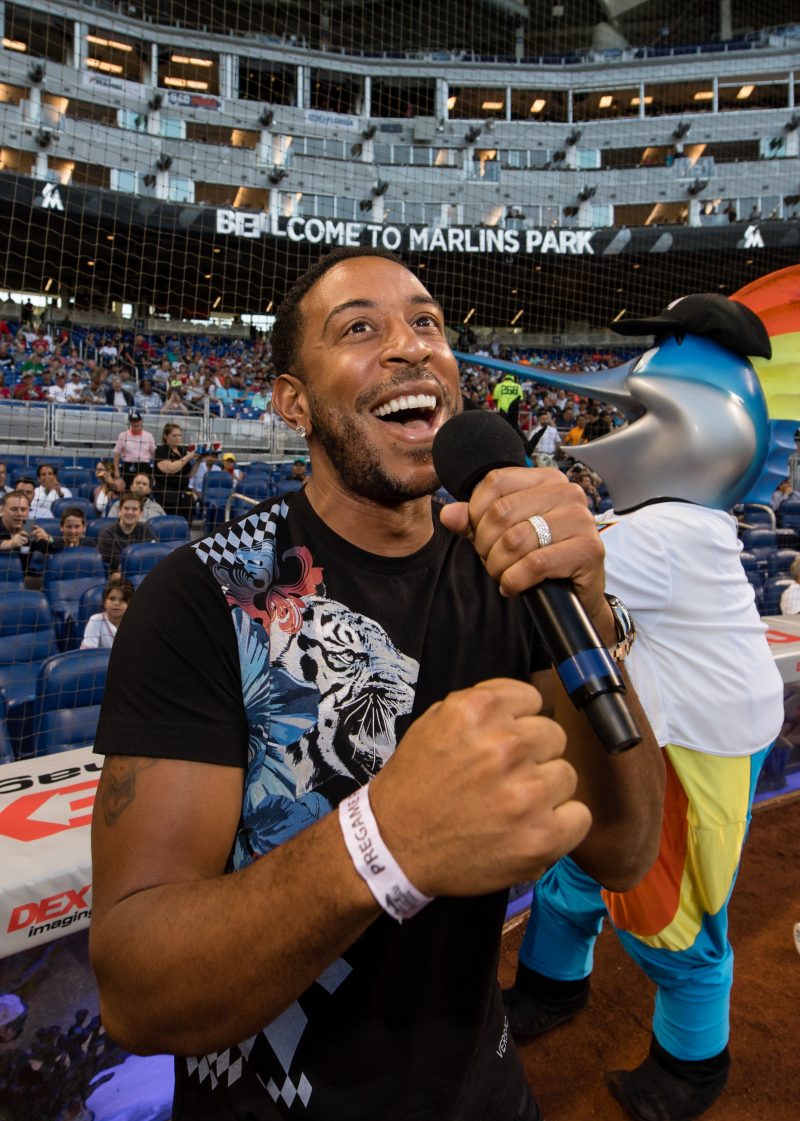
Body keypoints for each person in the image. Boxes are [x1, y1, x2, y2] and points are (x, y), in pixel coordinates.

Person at [90, 248, 663, 1121]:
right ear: (293, 402)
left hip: (485, 1092)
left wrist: (581, 602)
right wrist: (382, 840)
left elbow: (622, 849)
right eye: (360, 327)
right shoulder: (207, 593)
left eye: (427, 322)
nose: (411, 347)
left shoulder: (509, 574)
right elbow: (137, 989)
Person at [503, 292, 787, 1121]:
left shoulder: (666, 532)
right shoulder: (671, 516)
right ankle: (555, 986)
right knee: (578, 868)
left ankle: (693, 1065)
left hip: (697, 739)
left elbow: (549, 567)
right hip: (648, 728)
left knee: (676, 913)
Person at [96, 493, 155, 572]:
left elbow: (154, 554)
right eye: (126, 508)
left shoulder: (146, 529)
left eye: (134, 509)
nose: (130, 512)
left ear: (140, 513)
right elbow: (118, 565)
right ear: (119, 511)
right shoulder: (108, 534)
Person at [0, 489, 53, 575]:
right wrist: (8, 543)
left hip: (20, 581)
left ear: (28, 512)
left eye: (23, 509)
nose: (19, 514)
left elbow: (57, 546)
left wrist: (49, 539)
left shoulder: (28, 528)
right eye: (14, 509)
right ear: (2, 510)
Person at [153, 423, 199, 521]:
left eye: (179, 435)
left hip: (184, 496)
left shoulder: (182, 450)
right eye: (174, 435)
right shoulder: (161, 450)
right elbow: (169, 469)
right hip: (167, 496)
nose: (177, 438)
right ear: (166, 436)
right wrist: (188, 457)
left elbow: (190, 473)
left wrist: (199, 460)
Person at [81, 580, 134, 649]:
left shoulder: (136, 622)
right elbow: (88, 653)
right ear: (104, 601)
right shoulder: (96, 620)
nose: (116, 603)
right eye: (112, 599)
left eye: (123, 600)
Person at [113, 411, 156, 489]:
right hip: (128, 466)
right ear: (130, 422)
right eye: (133, 421)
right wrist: (116, 470)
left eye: (137, 421)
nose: (135, 423)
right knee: (128, 490)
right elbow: (117, 452)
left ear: (141, 421)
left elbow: (154, 453)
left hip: (144, 467)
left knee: (144, 490)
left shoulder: (149, 436)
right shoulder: (123, 435)